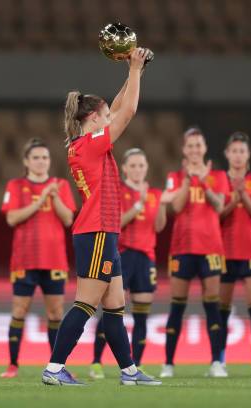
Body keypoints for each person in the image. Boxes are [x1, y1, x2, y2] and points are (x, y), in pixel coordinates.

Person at [41, 47, 161, 386]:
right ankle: (53, 368)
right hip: (96, 232)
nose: (111, 117)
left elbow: (122, 105)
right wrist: (135, 70)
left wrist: (135, 71)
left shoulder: (86, 143)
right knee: (86, 303)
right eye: (105, 115)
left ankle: (129, 372)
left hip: (104, 231)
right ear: (93, 119)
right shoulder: (89, 145)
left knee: (115, 305)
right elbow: (130, 110)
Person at [90, 148, 172, 379]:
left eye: (141, 165)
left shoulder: (155, 194)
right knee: (112, 310)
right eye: (133, 165)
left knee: (142, 314)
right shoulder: (118, 190)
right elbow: (116, 222)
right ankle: (96, 362)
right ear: (124, 168)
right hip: (122, 255)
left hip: (146, 258)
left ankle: (135, 366)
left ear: (146, 167)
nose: (137, 169)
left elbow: (158, 227)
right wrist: (139, 205)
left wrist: (162, 204)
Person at [0, 138, 76, 378]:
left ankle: (56, 365)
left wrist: (53, 198)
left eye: (45, 157)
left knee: (55, 314)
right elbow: (12, 219)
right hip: (24, 259)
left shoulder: (60, 185)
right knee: (19, 310)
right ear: (26, 161)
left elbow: (68, 219)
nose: (41, 162)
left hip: (54, 260)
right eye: (36, 158)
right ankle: (13, 365)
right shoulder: (15, 185)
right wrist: (41, 199)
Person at [160, 127, 230, 378]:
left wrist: (203, 182)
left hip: (211, 247)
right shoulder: (175, 176)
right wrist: (189, 181)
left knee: (212, 304)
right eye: (190, 146)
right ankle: (168, 363)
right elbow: (176, 208)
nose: (194, 150)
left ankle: (216, 363)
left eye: (198, 145)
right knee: (177, 305)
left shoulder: (219, 176)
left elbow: (220, 205)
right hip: (182, 247)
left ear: (205, 148)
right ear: (183, 150)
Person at [219, 132, 251, 376]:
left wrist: (243, 195)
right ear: (227, 154)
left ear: (248, 155)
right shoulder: (218, 181)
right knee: (222, 308)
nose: (238, 155)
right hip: (225, 251)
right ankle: (219, 362)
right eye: (234, 151)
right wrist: (233, 200)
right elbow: (216, 216)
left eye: (242, 151)